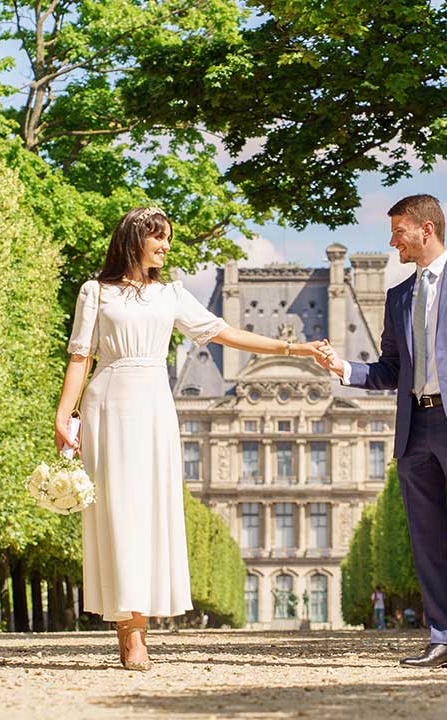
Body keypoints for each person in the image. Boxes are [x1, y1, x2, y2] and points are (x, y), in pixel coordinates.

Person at [55, 206, 327, 671]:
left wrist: (293, 347)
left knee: (149, 512)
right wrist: (64, 414)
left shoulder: (171, 295)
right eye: (158, 238)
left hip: (154, 404)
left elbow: (226, 333)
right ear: (134, 239)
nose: (165, 247)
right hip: (107, 401)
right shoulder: (95, 292)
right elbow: (80, 357)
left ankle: (139, 625)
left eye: (167, 240)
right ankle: (129, 631)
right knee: (118, 514)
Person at [316, 194, 447, 670]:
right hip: (415, 427)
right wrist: (344, 368)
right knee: (425, 539)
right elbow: (390, 369)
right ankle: (444, 640)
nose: (393, 241)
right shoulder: (397, 297)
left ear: (425, 229)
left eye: (398, 231)